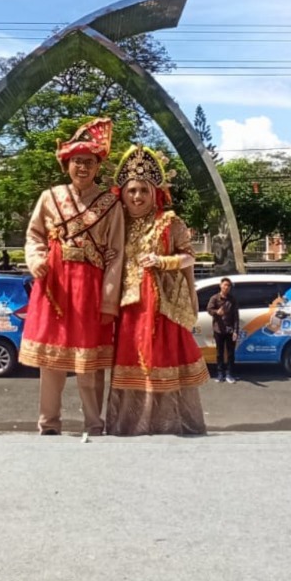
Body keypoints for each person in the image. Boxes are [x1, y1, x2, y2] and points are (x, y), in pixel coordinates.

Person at [20, 117, 124, 436]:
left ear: (98, 166)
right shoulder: (49, 197)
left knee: (89, 365)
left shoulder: (110, 204)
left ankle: (94, 423)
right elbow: (34, 235)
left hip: (90, 288)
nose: (82, 167)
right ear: (66, 164)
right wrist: (36, 260)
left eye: (89, 162)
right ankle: (48, 422)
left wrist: (109, 300)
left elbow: (117, 253)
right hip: (55, 285)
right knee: (51, 361)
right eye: (77, 161)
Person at [106, 145, 209, 436]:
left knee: (161, 361)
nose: (137, 196)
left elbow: (189, 257)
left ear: (155, 192)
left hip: (161, 308)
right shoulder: (117, 223)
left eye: (143, 190)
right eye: (131, 190)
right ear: (122, 193)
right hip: (128, 308)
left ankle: (167, 425)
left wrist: (163, 261)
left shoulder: (169, 222)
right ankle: (127, 426)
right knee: (130, 364)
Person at [206, 277, 240, 383]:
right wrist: (216, 312)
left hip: (230, 330)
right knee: (219, 353)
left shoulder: (232, 299)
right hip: (218, 329)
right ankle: (220, 374)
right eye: (225, 285)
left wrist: (236, 331)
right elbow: (209, 309)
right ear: (220, 285)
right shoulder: (214, 298)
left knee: (230, 354)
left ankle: (229, 374)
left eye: (228, 285)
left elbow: (236, 316)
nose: (226, 287)